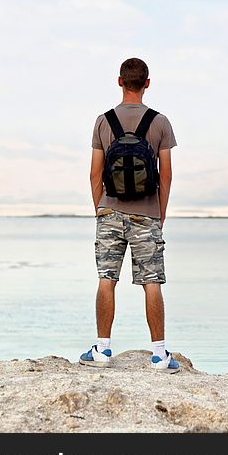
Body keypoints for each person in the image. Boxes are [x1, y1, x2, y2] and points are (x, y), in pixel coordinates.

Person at [79, 57, 180, 373]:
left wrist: (101, 209)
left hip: (109, 212)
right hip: (147, 215)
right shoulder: (160, 122)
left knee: (106, 280)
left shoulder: (103, 121)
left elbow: (94, 174)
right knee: (152, 282)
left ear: (119, 81)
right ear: (147, 83)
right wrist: (159, 214)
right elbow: (166, 175)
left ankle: (102, 350)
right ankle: (159, 355)